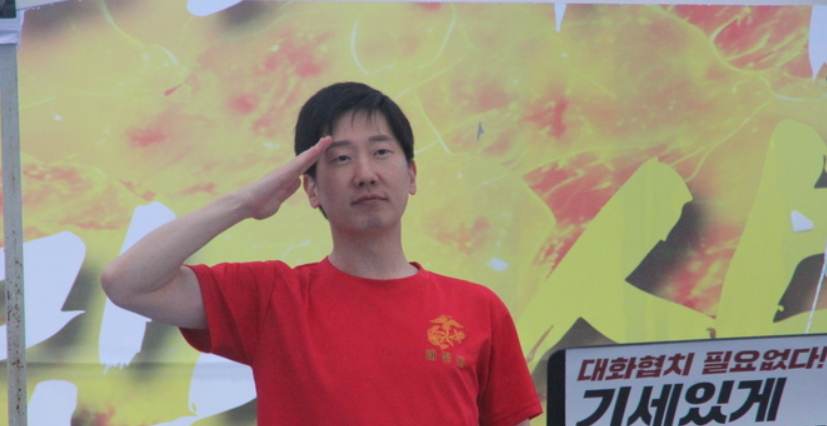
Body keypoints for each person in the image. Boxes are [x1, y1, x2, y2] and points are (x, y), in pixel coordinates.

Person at [102, 82, 542, 426]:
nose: (365, 174)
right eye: (342, 159)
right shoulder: (273, 296)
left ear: (411, 174)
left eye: (381, 152)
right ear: (311, 189)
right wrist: (244, 203)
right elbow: (126, 283)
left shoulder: (478, 308)